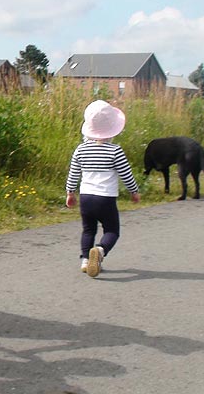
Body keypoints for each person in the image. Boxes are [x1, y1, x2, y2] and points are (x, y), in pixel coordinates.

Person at [65, 99, 140, 278]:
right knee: (112, 230)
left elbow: (74, 173)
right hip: (105, 198)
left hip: (86, 197)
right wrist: (134, 191)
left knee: (88, 229)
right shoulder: (115, 151)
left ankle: (85, 260)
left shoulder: (80, 150)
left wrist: (70, 192)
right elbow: (126, 174)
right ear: (113, 129)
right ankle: (100, 250)